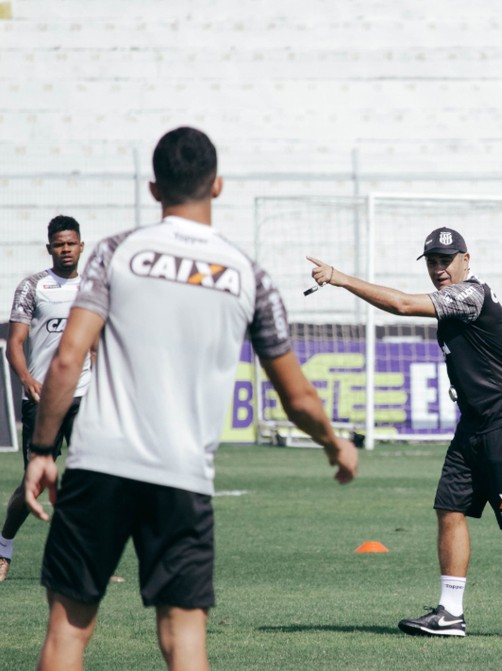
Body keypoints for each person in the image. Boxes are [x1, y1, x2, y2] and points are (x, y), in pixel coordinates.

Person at [23, 126, 359, 671]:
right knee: (184, 642)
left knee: (67, 633)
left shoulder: (115, 252)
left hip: (97, 464)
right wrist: (333, 444)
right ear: (218, 186)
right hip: (181, 476)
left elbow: (66, 360)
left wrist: (41, 451)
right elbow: (295, 395)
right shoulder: (249, 275)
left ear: (155, 189)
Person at [307, 227, 502, 638]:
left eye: (447, 260)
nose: (440, 269)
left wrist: (341, 278)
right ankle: (450, 613)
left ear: (466, 260)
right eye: (433, 262)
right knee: (450, 507)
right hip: (476, 422)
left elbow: (404, 305)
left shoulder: (471, 296)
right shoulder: (451, 299)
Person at [0, 216, 94, 583]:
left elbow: (98, 340)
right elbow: (16, 345)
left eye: (71, 243)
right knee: (32, 485)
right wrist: (26, 378)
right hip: (44, 399)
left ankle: (85, 558)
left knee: (93, 477)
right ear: (50, 248)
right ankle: (4, 546)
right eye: (59, 244)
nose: (66, 249)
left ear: (81, 245)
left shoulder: (93, 287)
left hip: (84, 395)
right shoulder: (33, 287)